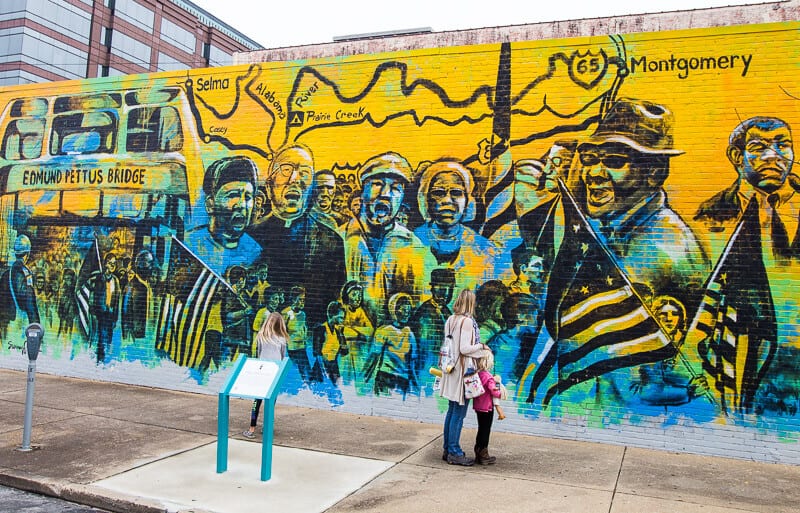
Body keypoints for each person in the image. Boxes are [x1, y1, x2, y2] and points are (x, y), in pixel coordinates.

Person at [249, 144, 345, 329]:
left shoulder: (331, 243)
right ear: (269, 187)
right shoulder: (251, 236)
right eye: (286, 170)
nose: (295, 179)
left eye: (304, 173)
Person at [342, 152, 432, 325]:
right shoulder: (340, 238)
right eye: (377, 184)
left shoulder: (413, 247)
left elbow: (421, 305)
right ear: (363, 192)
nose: (385, 194)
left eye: (396, 188)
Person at [694, 116, 799, 264]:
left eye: (783, 145)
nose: (773, 156)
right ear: (736, 156)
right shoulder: (709, 214)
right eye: (758, 147)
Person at [414, 160, 506, 292]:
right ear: (426, 198)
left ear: (467, 200)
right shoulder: (411, 243)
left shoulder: (484, 250)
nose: (447, 200)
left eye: (456, 193)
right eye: (439, 193)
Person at [185, 156, 262, 276]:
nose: (241, 205)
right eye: (232, 195)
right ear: (210, 204)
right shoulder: (189, 245)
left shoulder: (254, 253)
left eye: (247, 197)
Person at [439, 289, 491, 466]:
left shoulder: (450, 319)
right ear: (470, 302)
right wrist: (482, 346)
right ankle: (454, 451)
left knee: (452, 410)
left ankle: (447, 449)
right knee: (459, 413)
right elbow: (464, 348)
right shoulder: (467, 321)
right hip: (462, 372)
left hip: (450, 369)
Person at [242, 312, 288, 439]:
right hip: (275, 374)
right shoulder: (282, 339)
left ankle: (251, 429)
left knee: (256, 402)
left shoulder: (261, 337)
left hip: (262, 373)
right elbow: (282, 357)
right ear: (280, 325)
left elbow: (258, 355)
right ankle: (266, 428)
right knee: (271, 403)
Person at [472, 350, 503, 465]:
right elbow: (495, 392)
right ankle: (483, 454)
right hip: (487, 408)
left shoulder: (478, 374)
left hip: (478, 407)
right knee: (486, 430)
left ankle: (478, 450)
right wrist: (499, 388)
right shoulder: (488, 377)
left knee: (481, 428)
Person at [92, 252, 121, 363]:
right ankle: (100, 359)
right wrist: (96, 312)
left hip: (110, 314)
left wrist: (115, 318)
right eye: (110, 263)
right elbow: (95, 296)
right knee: (102, 339)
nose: (113, 265)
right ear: (105, 264)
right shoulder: (100, 279)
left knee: (108, 339)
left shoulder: (116, 281)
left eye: (114, 263)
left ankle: (105, 359)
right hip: (101, 314)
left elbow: (117, 300)